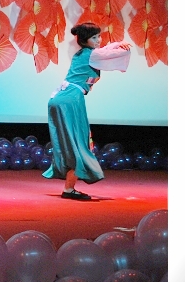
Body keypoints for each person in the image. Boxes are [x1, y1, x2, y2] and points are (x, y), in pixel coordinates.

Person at [42, 22, 132, 200]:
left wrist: (116, 44)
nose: (98, 40)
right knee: (78, 143)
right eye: (94, 37)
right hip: (70, 100)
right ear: (85, 40)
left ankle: (69, 187)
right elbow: (111, 54)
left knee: (74, 142)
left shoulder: (84, 54)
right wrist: (122, 46)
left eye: (99, 36)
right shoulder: (91, 54)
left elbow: (104, 51)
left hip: (61, 99)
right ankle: (69, 189)